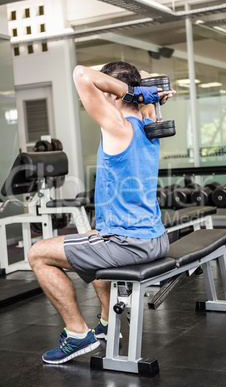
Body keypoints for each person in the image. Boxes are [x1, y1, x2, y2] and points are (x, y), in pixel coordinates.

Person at [28, 61, 176, 364]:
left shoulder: (117, 125)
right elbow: (145, 76)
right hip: (155, 238)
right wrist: (144, 95)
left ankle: (77, 334)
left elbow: (81, 74)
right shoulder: (149, 123)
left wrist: (131, 93)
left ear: (113, 94)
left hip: (129, 243)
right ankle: (110, 325)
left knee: (37, 253)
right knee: (92, 237)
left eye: (106, 90)